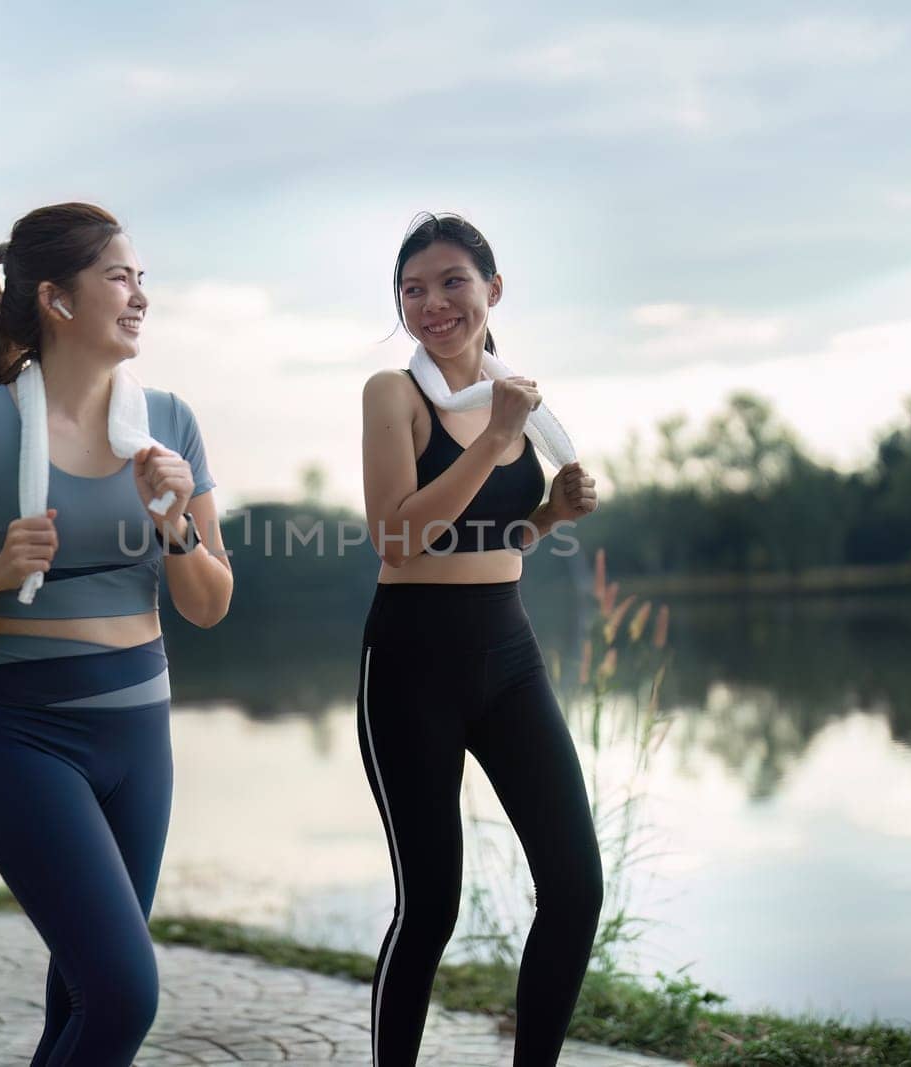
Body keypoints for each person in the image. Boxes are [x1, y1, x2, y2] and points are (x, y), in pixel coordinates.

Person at [0, 202, 232, 1067]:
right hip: (24, 736)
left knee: (81, 1000)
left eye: (142, 279)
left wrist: (176, 521)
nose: (139, 296)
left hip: (140, 735)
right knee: (126, 995)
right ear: (58, 301)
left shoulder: (170, 423)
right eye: (119, 277)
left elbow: (211, 603)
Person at [356, 212, 602, 1065]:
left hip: (509, 655)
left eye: (452, 282)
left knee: (575, 887)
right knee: (429, 905)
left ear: (493, 291)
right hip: (411, 663)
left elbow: (490, 541)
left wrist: (549, 514)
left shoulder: (515, 397)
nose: (433, 302)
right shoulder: (396, 395)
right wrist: (497, 437)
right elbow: (397, 537)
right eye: (413, 288)